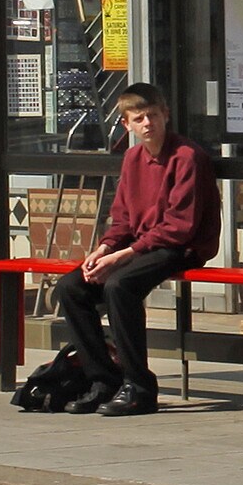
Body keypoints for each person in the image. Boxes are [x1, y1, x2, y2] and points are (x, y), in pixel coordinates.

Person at [55, 84, 222, 417]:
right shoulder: (132, 158)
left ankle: (139, 388)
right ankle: (103, 380)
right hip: (141, 245)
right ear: (126, 124)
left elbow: (179, 227)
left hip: (182, 247)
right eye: (139, 118)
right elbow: (123, 219)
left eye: (153, 115)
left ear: (165, 115)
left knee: (120, 286)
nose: (148, 124)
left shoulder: (187, 157)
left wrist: (124, 255)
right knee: (71, 287)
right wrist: (103, 249)